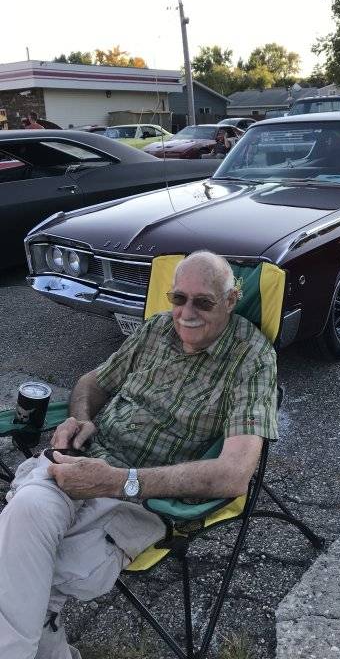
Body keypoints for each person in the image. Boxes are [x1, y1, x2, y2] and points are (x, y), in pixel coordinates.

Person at [0, 251, 277, 659]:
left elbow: (235, 473)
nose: (186, 313)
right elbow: (92, 381)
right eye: (178, 298)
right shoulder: (158, 329)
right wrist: (80, 418)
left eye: (203, 302)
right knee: (27, 513)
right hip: (79, 464)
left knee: (30, 567)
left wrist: (118, 481)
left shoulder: (251, 359)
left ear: (231, 300)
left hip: (139, 496)